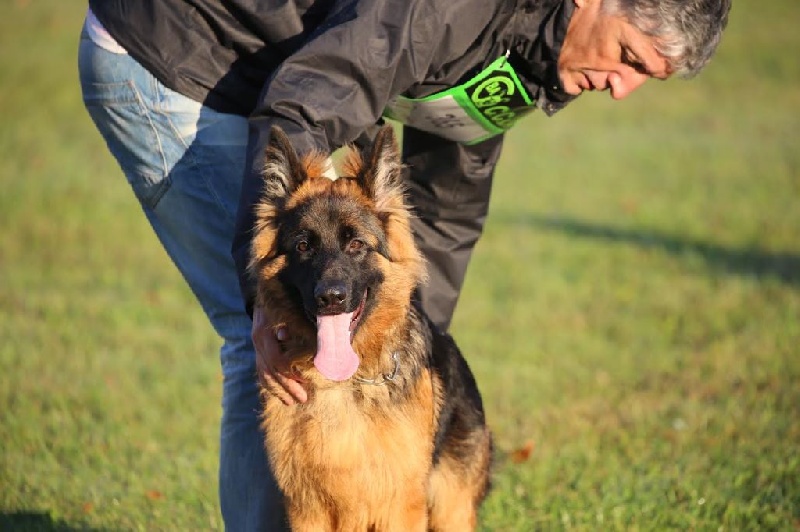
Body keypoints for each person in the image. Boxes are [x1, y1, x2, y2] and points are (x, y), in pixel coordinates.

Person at [78, 0, 731, 529]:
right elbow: (309, 100)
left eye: (646, 77)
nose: (622, 88)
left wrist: (409, 367)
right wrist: (258, 301)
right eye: (627, 57)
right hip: (181, 53)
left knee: (344, 347)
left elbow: (443, 209)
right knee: (268, 341)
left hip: (275, 77)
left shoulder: (531, 52)